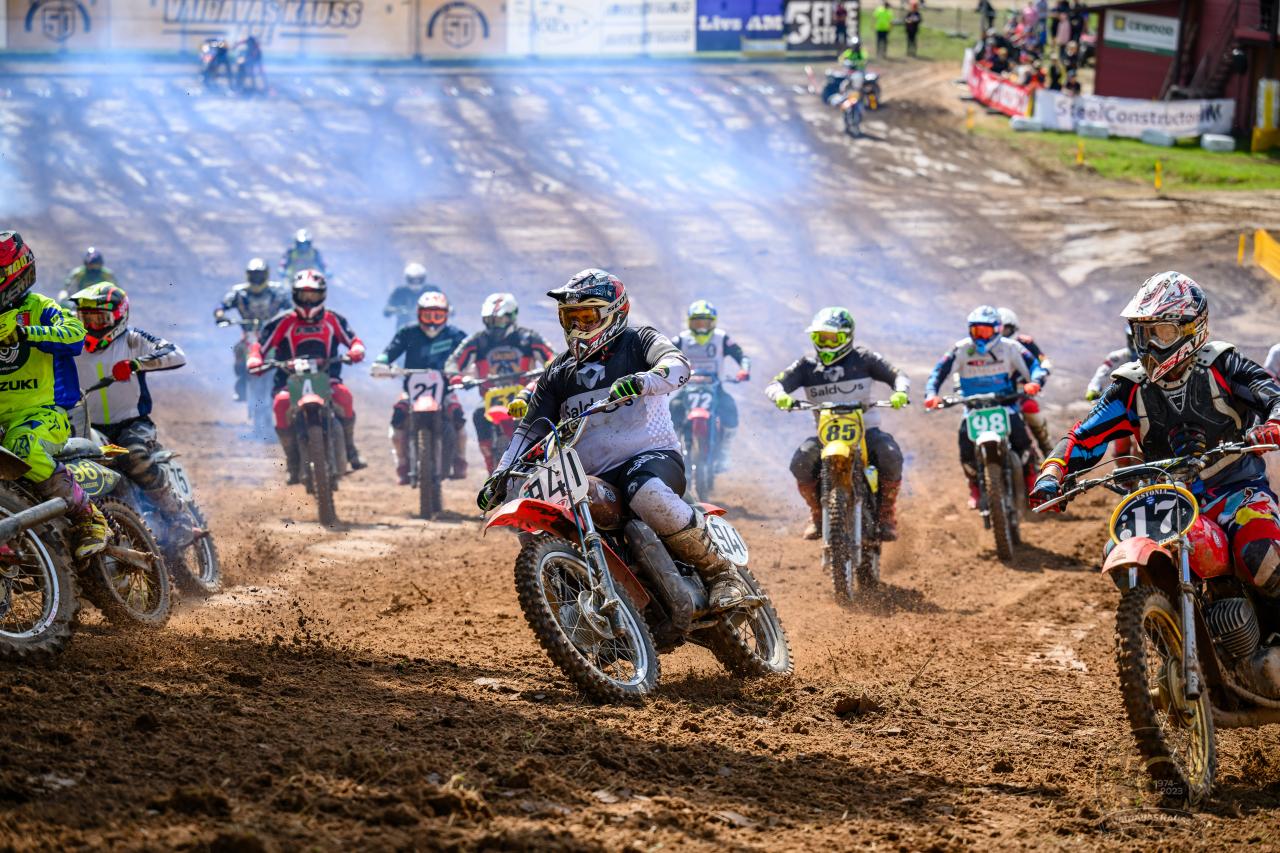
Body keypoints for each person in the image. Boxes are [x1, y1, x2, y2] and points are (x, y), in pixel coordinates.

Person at [1030, 273, 1280, 693]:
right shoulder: (1129, 386)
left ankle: (1273, 643)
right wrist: (1053, 471)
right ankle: (1173, 645)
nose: (1149, 345)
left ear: (1191, 328)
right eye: (1142, 333)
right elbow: (1083, 435)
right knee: (1117, 551)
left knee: (1262, 555)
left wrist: (1273, 423)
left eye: (1160, 332)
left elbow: (1270, 393)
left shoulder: (1223, 364)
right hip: (1168, 496)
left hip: (1235, 490)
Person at [476, 269, 747, 611]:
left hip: (650, 457)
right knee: (548, 506)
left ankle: (722, 573)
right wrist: (500, 476)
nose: (578, 327)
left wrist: (644, 380)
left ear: (615, 313)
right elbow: (529, 430)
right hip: (591, 476)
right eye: (571, 318)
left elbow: (678, 365)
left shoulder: (638, 341)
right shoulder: (557, 373)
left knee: (647, 494)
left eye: (587, 317)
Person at [0, 232, 107, 559]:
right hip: (3, 422)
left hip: (45, 415)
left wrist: (27, 333)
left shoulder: (40, 307)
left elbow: (75, 335)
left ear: (15, 272)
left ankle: (89, 515)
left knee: (22, 444)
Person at [767, 307, 910, 541]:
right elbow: (775, 384)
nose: (826, 344)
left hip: (866, 431)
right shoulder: (806, 366)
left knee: (890, 454)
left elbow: (898, 375)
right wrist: (780, 396)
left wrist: (900, 392)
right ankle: (817, 513)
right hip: (827, 435)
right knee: (801, 462)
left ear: (847, 337)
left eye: (832, 338)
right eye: (820, 338)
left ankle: (886, 513)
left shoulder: (864, 359)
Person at [69, 283, 192, 540]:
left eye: (99, 319)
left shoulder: (132, 339)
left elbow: (175, 354)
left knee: (134, 455)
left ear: (119, 316)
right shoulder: (72, 343)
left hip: (132, 423)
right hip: (87, 426)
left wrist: (136, 364)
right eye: (86, 318)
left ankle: (177, 513)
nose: (92, 325)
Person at [248, 270, 367, 482]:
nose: (309, 301)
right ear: (295, 295)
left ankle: (350, 449)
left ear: (323, 295)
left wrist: (356, 350)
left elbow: (353, 340)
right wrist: (255, 359)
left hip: (327, 377)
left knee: (344, 397)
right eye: (304, 295)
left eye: (313, 295)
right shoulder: (282, 321)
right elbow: (260, 345)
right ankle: (292, 461)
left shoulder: (333, 319)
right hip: (289, 380)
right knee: (281, 404)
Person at [924, 305, 1047, 509]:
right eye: (976, 331)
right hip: (973, 409)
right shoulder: (961, 348)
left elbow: (1035, 365)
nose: (980, 336)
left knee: (1023, 442)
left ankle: (1033, 482)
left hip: (1006, 406)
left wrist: (1034, 382)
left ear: (997, 329)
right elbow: (939, 371)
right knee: (965, 447)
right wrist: (931, 394)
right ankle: (974, 486)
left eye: (985, 331)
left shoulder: (1011, 347)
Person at [444, 292, 554, 473]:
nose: (494, 326)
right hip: (491, 396)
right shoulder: (478, 341)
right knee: (478, 414)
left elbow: (552, 356)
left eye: (499, 321)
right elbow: (454, 361)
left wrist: (549, 366)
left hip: (525, 394)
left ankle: (544, 460)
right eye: (490, 321)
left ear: (512, 317)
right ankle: (489, 461)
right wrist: (457, 376)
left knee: (542, 419)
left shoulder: (528, 337)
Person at [373, 291, 469, 485]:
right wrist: (381, 363)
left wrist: (469, 370)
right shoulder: (408, 333)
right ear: (419, 314)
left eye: (438, 316)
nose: (432, 321)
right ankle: (402, 463)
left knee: (458, 417)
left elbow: (470, 352)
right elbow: (390, 351)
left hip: (446, 391)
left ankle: (460, 459)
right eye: (428, 315)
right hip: (411, 392)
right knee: (397, 418)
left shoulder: (455, 335)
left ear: (446, 315)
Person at [668, 300, 750, 472]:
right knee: (672, 411)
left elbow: (741, 355)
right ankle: (671, 453)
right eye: (697, 323)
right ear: (690, 323)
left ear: (713, 322)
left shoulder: (722, 338)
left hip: (715, 388)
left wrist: (744, 369)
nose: (701, 328)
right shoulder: (681, 340)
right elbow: (662, 356)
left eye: (705, 323)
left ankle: (725, 452)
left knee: (730, 408)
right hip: (688, 387)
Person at [213, 258, 290, 402]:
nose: (257, 279)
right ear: (248, 275)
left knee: (286, 354)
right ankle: (242, 383)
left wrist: (289, 317)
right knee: (239, 350)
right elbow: (221, 306)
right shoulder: (239, 292)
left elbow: (290, 306)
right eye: (254, 275)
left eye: (260, 275)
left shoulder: (277, 292)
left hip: (273, 334)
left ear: (266, 275)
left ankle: (285, 383)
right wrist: (220, 315)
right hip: (249, 334)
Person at [997, 307, 1054, 456]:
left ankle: (1048, 450)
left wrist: (1043, 372)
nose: (1001, 334)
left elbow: (1042, 360)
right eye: (998, 330)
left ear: (1013, 328)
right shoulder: (985, 347)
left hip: (1021, 391)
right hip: (995, 395)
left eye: (1005, 329)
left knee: (1031, 409)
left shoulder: (1025, 343)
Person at [383, 262, 439, 331]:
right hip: (405, 329)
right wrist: (397, 309)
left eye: (420, 280)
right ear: (407, 279)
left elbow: (448, 306)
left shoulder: (432, 290)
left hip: (430, 328)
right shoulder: (399, 292)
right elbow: (386, 310)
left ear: (424, 278)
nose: (416, 283)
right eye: (412, 280)